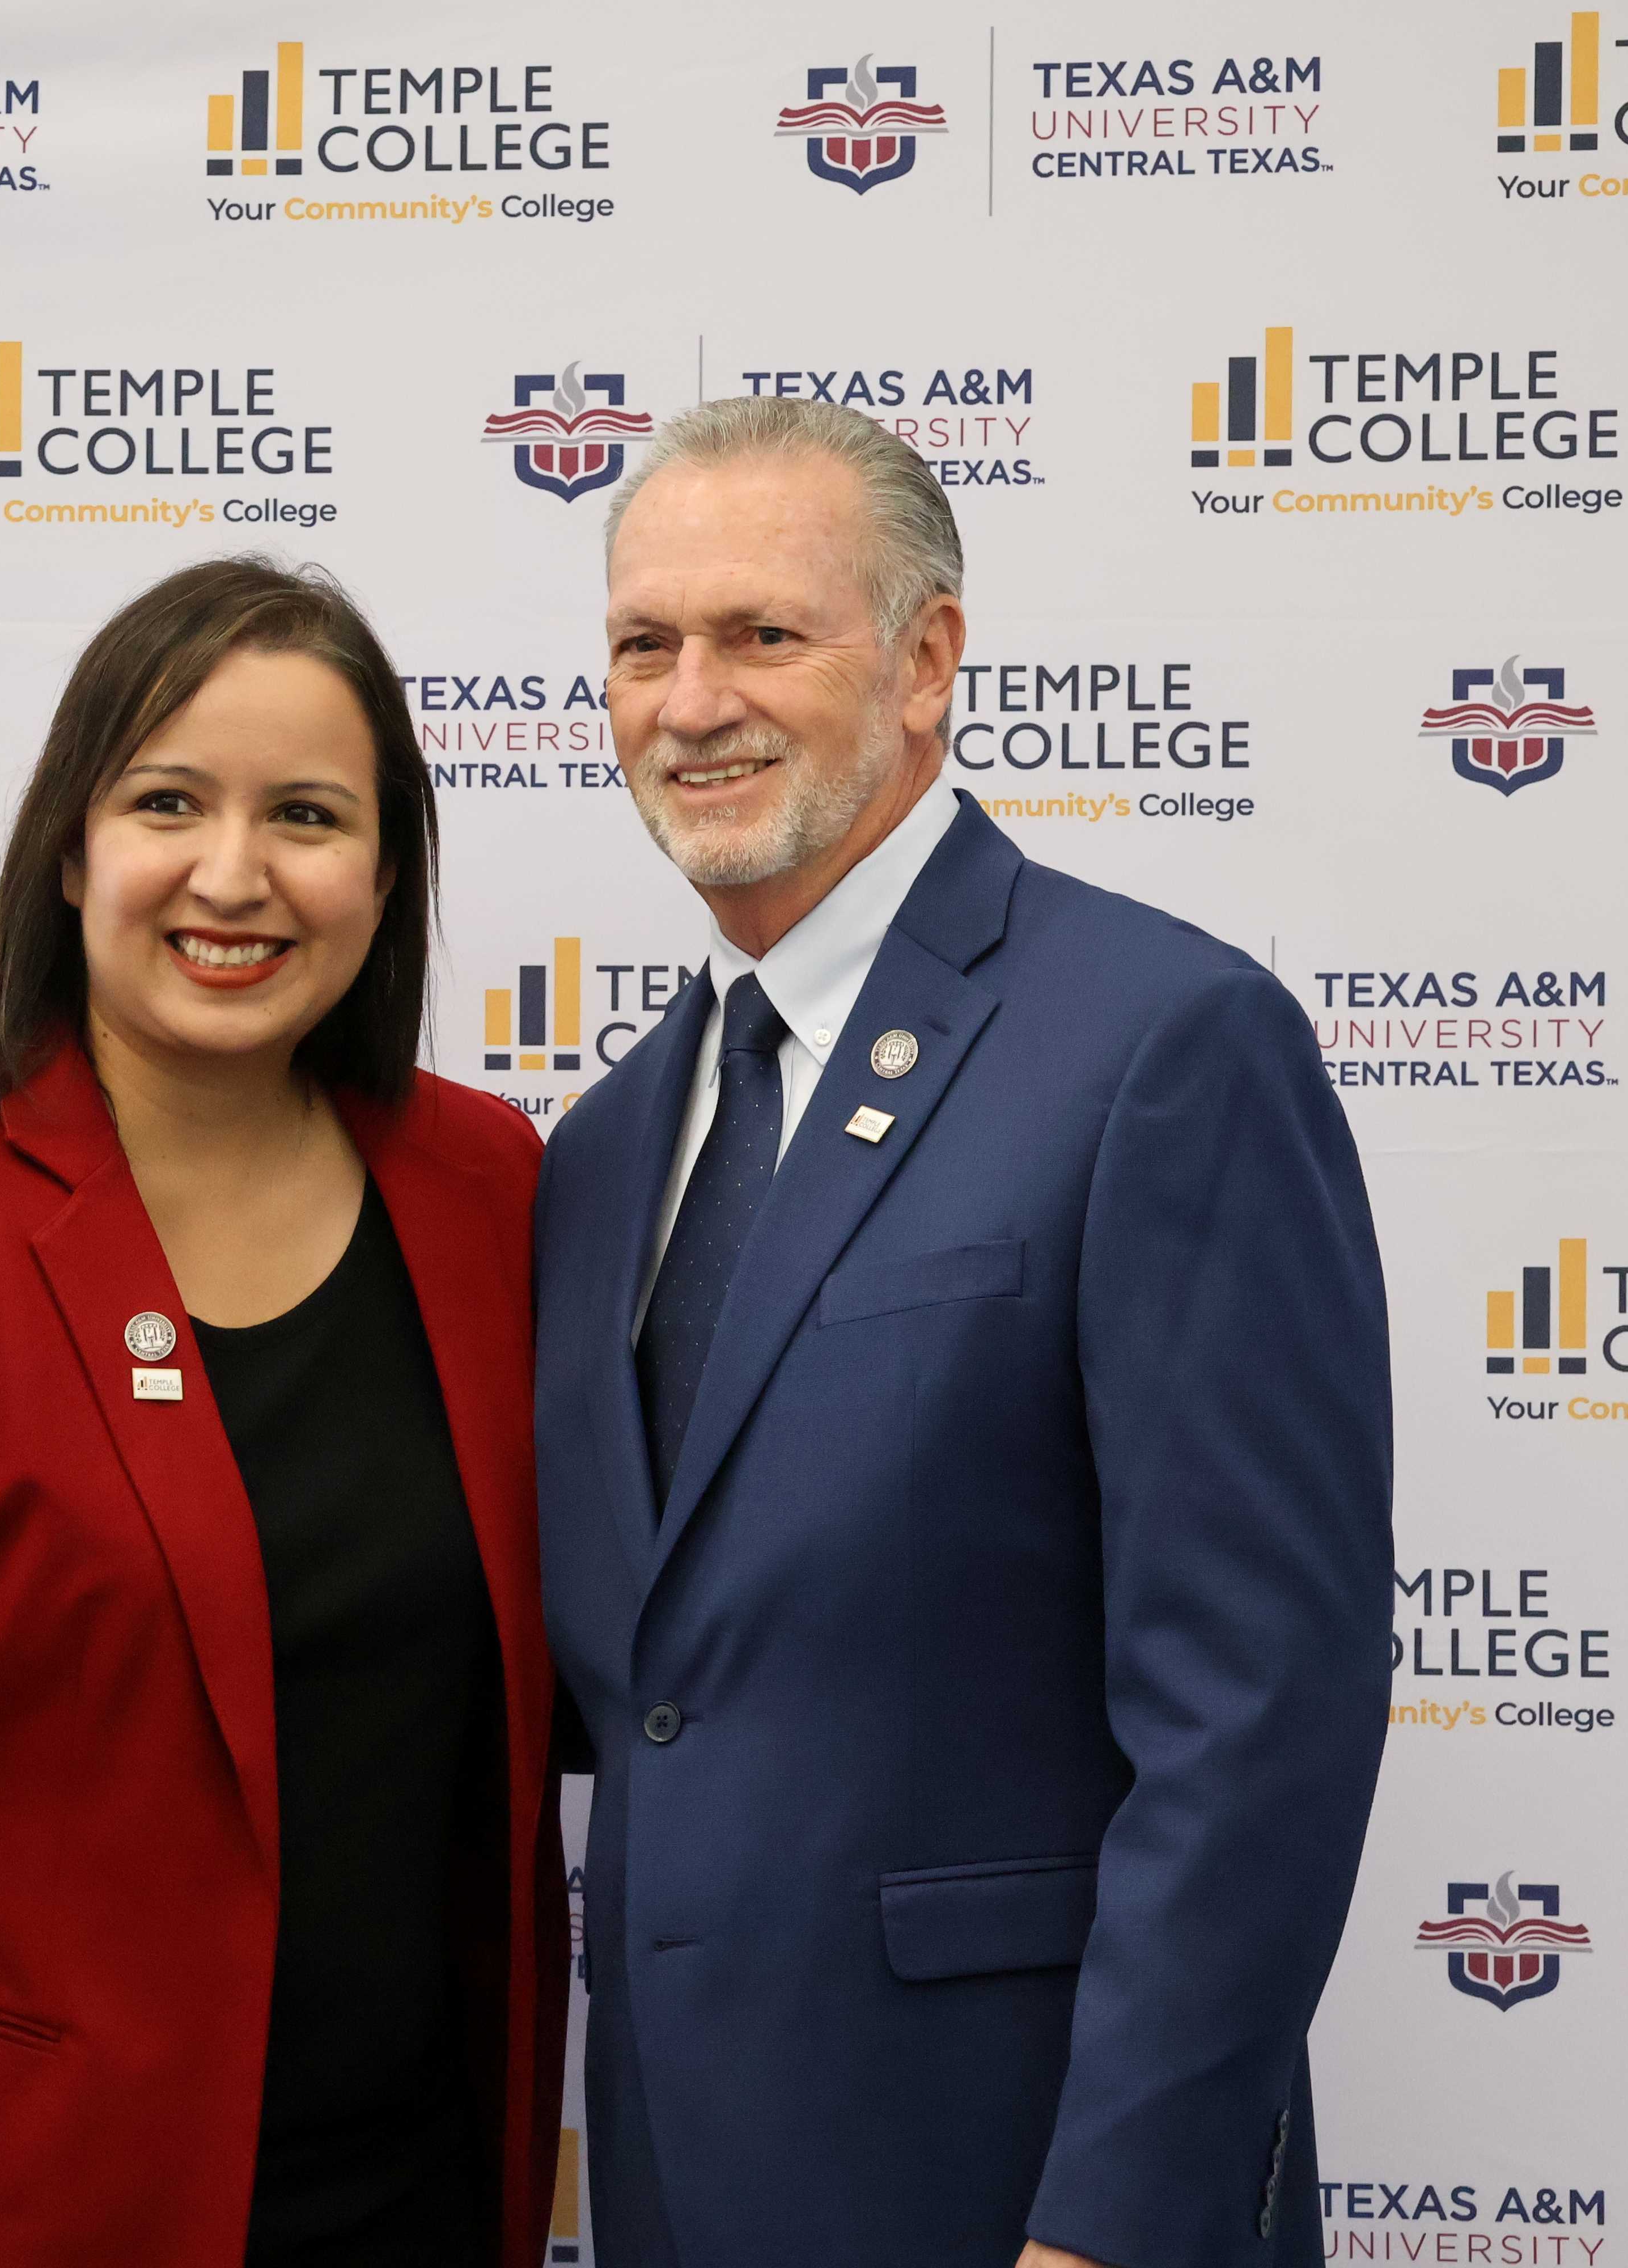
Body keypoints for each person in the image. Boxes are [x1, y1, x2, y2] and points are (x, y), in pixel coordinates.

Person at [534, 397, 1393, 2268]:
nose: (691, 703)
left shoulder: (1159, 1047)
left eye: (764, 635)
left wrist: (1115, 2228)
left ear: (929, 664)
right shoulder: (602, 1156)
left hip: (1019, 2202)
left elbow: (1258, 1721)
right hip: (686, 2196)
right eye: (642, 645)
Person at [0, 558, 564, 2268]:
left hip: (413, 2194)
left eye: (306, 813)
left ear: (386, 871)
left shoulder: (487, 1189)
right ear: (71, 849)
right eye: (167, 803)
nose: (235, 874)